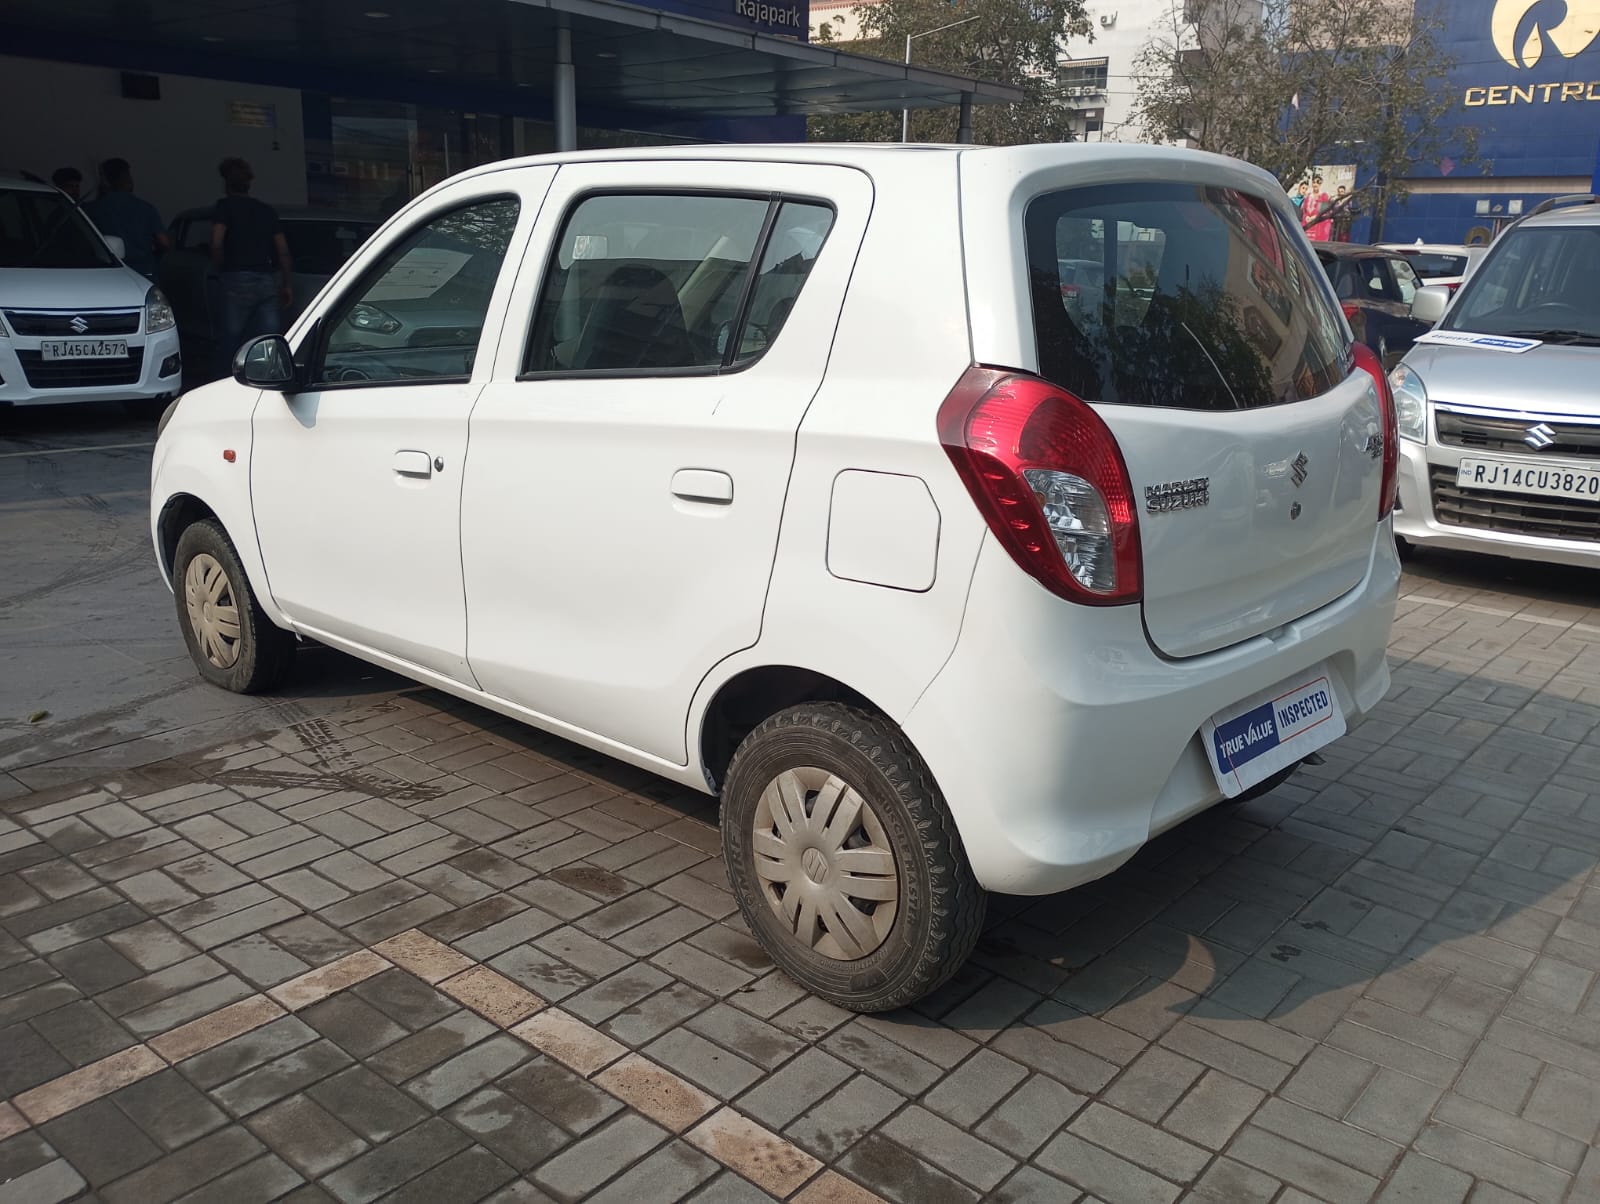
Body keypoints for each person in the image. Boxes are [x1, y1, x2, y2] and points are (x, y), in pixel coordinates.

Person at [211, 157, 293, 376]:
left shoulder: (224, 207)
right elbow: (283, 250)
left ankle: (227, 383)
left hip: (235, 278)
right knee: (269, 340)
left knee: (230, 339)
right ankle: (269, 379)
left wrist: (219, 269)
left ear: (226, 183)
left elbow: (217, 242)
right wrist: (286, 284)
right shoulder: (266, 210)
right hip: (267, 280)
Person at [87, 158, 168, 279]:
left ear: (105, 181)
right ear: (128, 178)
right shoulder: (146, 208)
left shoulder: (92, 209)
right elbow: (164, 242)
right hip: (144, 272)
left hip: (109, 272)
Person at [1304, 175, 1332, 243]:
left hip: (1318, 224)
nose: (1315, 184)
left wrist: (1316, 217)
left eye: (1317, 182)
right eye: (1314, 182)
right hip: (1308, 223)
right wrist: (1306, 216)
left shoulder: (1324, 196)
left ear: (1320, 184)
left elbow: (1325, 211)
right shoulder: (1308, 196)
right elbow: (1304, 210)